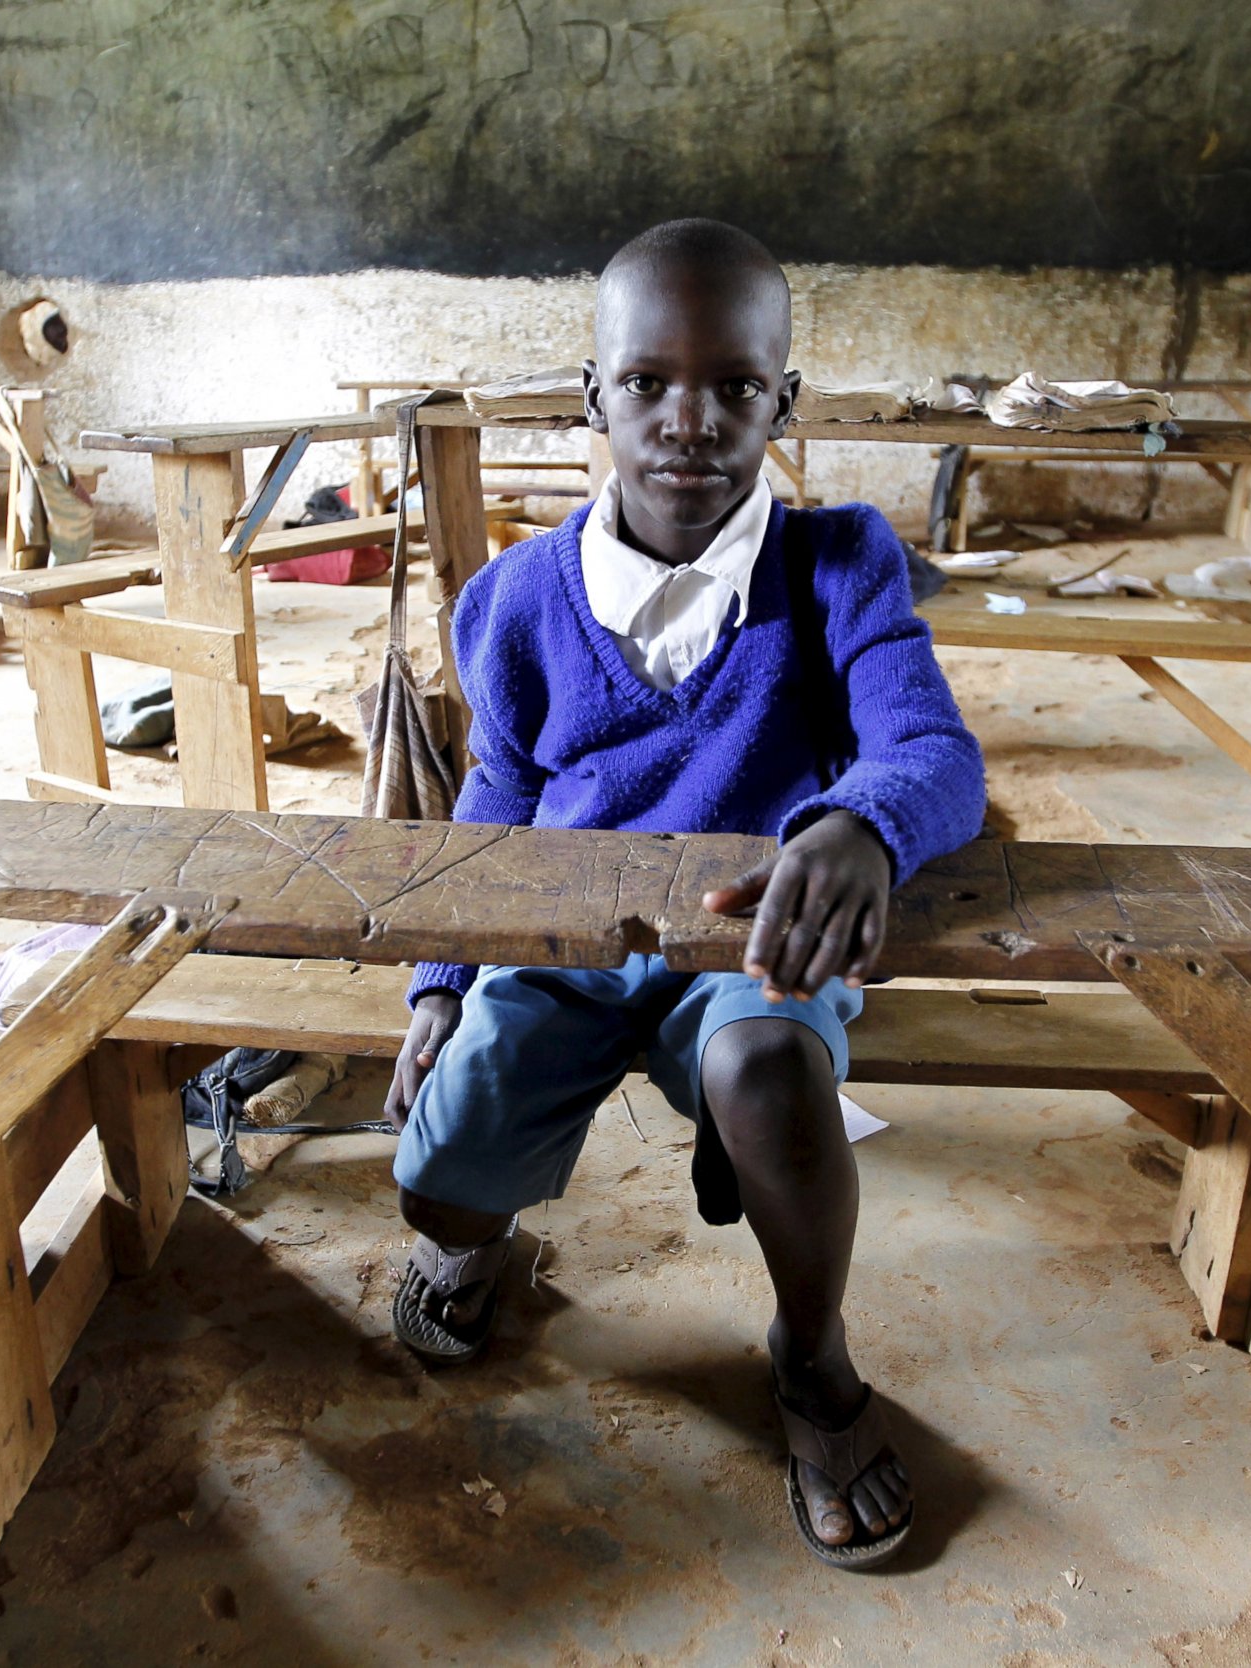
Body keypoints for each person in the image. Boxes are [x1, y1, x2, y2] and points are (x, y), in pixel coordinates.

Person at [380, 218, 985, 1568]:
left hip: (750, 940)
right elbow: (497, 794)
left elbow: (935, 756)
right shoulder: (516, 598)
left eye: (736, 386)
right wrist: (440, 976)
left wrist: (859, 829)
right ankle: (482, 1239)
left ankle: (812, 1358)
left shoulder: (842, 564)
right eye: (648, 382)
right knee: (437, 1182)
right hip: (564, 935)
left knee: (773, 1076)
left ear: (787, 400)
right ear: (592, 395)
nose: (691, 421)